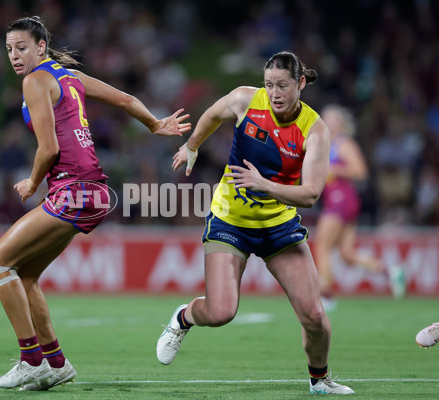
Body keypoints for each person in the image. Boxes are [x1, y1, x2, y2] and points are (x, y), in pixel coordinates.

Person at [0, 16, 190, 391]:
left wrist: (32, 182)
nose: (15, 56)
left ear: (41, 47)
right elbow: (127, 99)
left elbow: (48, 148)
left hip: (73, 190)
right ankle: (57, 363)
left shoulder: (35, 81)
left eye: (21, 47)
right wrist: (153, 124)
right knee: (26, 275)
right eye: (9, 49)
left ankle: (31, 360)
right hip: (93, 191)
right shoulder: (69, 77)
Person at [156, 51, 354, 395]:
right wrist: (191, 146)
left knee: (315, 317)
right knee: (220, 312)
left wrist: (264, 185)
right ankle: (182, 318)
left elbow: (309, 196)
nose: (274, 93)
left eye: (282, 85)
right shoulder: (245, 100)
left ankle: (320, 380)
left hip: (279, 227)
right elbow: (212, 115)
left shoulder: (315, 131)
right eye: (269, 85)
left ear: (301, 83)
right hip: (230, 222)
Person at [313, 104, 405, 311]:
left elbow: (360, 171)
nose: (326, 122)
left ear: (341, 124)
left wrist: (334, 168)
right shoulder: (327, 144)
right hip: (341, 201)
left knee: (322, 245)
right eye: (324, 118)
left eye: (331, 119)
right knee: (346, 253)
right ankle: (390, 271)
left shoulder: (344, 144)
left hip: (341, 198)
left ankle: (326, 294)